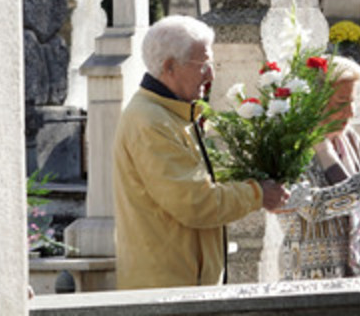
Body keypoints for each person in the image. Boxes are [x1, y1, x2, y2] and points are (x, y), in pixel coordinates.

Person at [113, 15, 289, 289]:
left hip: (186, 283)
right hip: (166, 288)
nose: (211, 75)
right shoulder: (150, 121)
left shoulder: (175, 114)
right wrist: (257, 194)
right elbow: (195, 202)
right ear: (170, 66)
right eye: (203, 65)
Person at [278, 56, 360, 279]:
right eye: (341, 103)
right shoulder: (290, 146)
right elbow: (310, 207)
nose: (351, 113)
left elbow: (358, 205)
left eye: (352, 102)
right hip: (310, 274)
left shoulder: (350, 138)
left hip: (356, 270)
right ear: (315, 101)